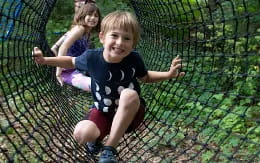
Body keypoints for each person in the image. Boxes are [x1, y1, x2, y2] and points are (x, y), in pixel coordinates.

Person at [33, 11, 185, 163]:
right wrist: (45, 60)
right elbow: (70, 61)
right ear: (102, 38)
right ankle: (96, 139)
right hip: (103, 111)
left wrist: (168, 74)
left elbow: (145, 77)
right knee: (81, 133)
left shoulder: (134, 59)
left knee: (129, 94)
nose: (120, 42)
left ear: (133, 44)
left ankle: (109, 149)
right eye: (114, 36)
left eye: (126, 38)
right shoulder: (92, 57)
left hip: (130, 114)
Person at [51, 2, 101, 92]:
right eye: (89, 15)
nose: (93, 18)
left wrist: (54, 48)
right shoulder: (80, 29)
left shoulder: (86, 32)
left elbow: (60, 42)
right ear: (83, 15)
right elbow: (63, 47)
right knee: (96, 87)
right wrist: (58, 72)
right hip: (68, 72)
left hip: (78, 68)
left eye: (96, 16)